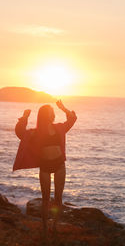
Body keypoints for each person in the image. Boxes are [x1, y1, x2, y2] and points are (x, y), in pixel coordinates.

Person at [13, 100, 77, 237]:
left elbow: (72, 119)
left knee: (58, 198)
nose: (52, 114)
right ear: (43, 115)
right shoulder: (35, 133)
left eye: (52, 112)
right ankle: (44, 227)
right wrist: (24, 117)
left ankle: (54, 226)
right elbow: (20, 132)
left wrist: (63, 108)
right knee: (46, 199)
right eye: (49, 112)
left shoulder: (59, 127)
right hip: (45, 166)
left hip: (59, 164)